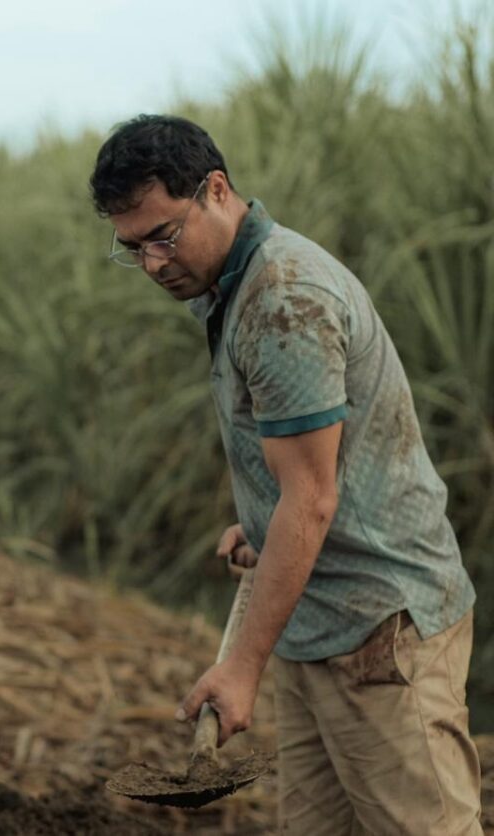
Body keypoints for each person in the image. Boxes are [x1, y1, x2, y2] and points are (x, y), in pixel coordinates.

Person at [90, 114, 480, 834]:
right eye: (132, 248)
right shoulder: (228, 286)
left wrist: (239, 667)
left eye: (164, 236)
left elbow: (312, 497)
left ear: (216, 189)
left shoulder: (282, 301)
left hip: (377, 632)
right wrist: (262, 526)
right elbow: (305, 478)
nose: (152, 264)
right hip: (314, 622)